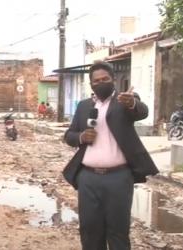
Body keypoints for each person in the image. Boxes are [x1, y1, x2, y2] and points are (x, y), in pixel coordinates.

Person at [63, 61, 158, 250]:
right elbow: (69, 135)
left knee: (118, 231)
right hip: (88, 178)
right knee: (89, 231)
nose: (101, 83)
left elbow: (142, 111)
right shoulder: (83, 106)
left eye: (105, 79)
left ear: (113, 80)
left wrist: (132, 103)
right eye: (96, 81)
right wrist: (82, 136)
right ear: (91, 84)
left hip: (119, 178)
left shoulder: (123, 101)